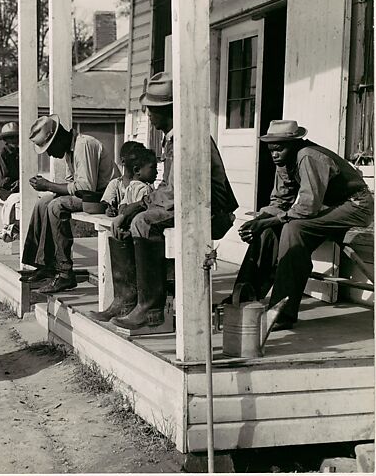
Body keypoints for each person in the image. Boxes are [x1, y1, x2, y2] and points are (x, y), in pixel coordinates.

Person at [92, 72, 238, 329]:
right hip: (188, 204)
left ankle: (150, 308)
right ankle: (126, 300)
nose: (148, 116)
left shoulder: (187, 138)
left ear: (167, 110)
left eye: (151, 110)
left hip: (210, 210)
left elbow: (177, 192)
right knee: (123, 223)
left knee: (142, 222)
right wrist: (132, 208)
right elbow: (168, 187)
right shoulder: (173, 137)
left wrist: (138, 205)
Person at [221, 119, 373, 330]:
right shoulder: (283, 161)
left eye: (280, 149)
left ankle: (282, 312)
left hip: (355, 206)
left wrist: (272, 220)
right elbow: (280, 201)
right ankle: (244, 297)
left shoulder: (308, 156)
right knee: (267, 229)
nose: (275, 154)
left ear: (294, 144)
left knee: (295, 229)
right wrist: (258, 222)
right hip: (326, 208)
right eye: (271, 150)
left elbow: (308, 207)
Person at [20, 114, 119, 293]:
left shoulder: (83, 145)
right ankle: (43, 264)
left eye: (49, 148)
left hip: (106, 198)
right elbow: (71, 183)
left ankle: (65, 272)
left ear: (58, 137)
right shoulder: (70, 150)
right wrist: (48, 188)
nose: (49, 153)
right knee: (43, 203)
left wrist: (49, 185)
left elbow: (85, 186)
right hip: (91, 196)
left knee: (55, 207)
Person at [101, 141, 146, 217]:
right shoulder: (115, 184)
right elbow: (107, 204)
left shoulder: (144, 186)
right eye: (134, 159)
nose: (138, 163)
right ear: (123, 161)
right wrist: (109, 210)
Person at [0, 122, 21, 201]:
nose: (15, 140)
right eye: (11, 138)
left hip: (19, 189)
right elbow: (3, 182)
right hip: (7, 192)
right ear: (5, 139)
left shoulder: (20, 153)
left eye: (16, 137)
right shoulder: (1, 155)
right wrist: (20, 183)